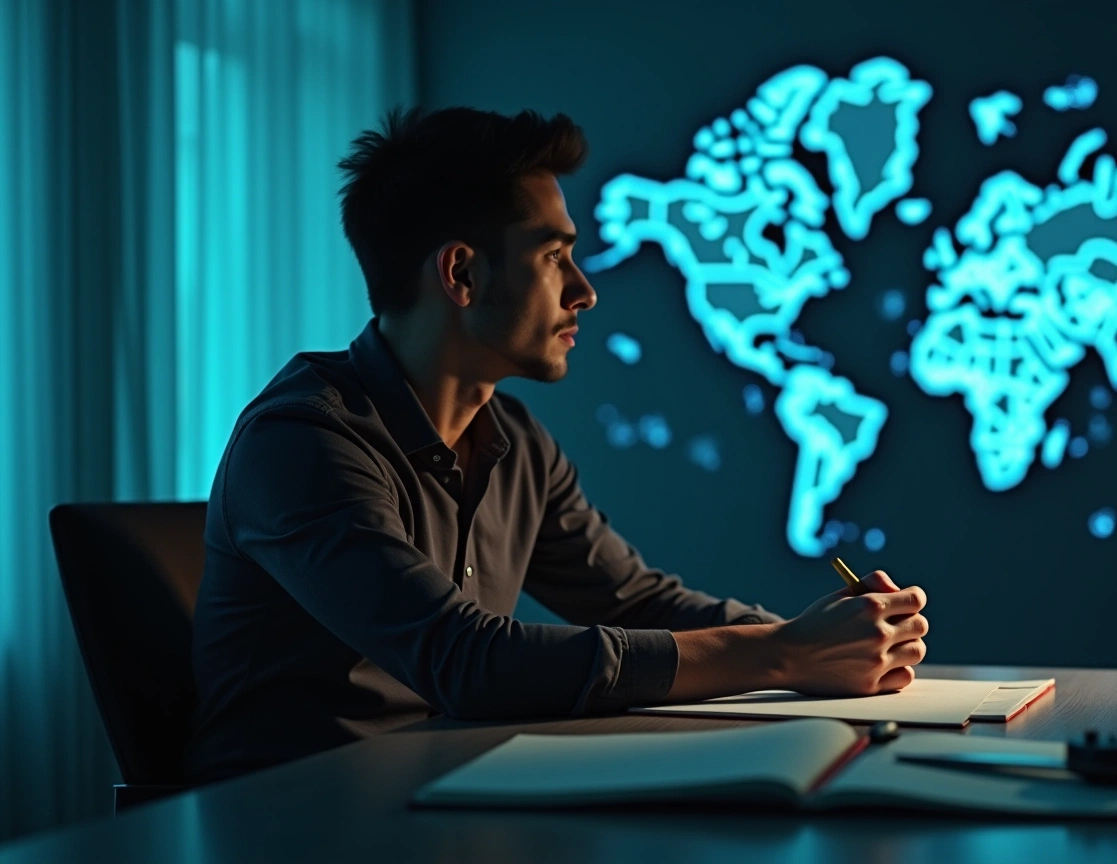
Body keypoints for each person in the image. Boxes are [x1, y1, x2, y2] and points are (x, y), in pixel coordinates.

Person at [186, 106, 930, 783]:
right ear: (463, 273)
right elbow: (465, 661)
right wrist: (783, 654)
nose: (585, 290)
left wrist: (820, 637)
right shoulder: (301, 442)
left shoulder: (513, 439)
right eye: (553, 256)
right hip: (294, 821)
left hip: (446, 788)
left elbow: (635, 602)